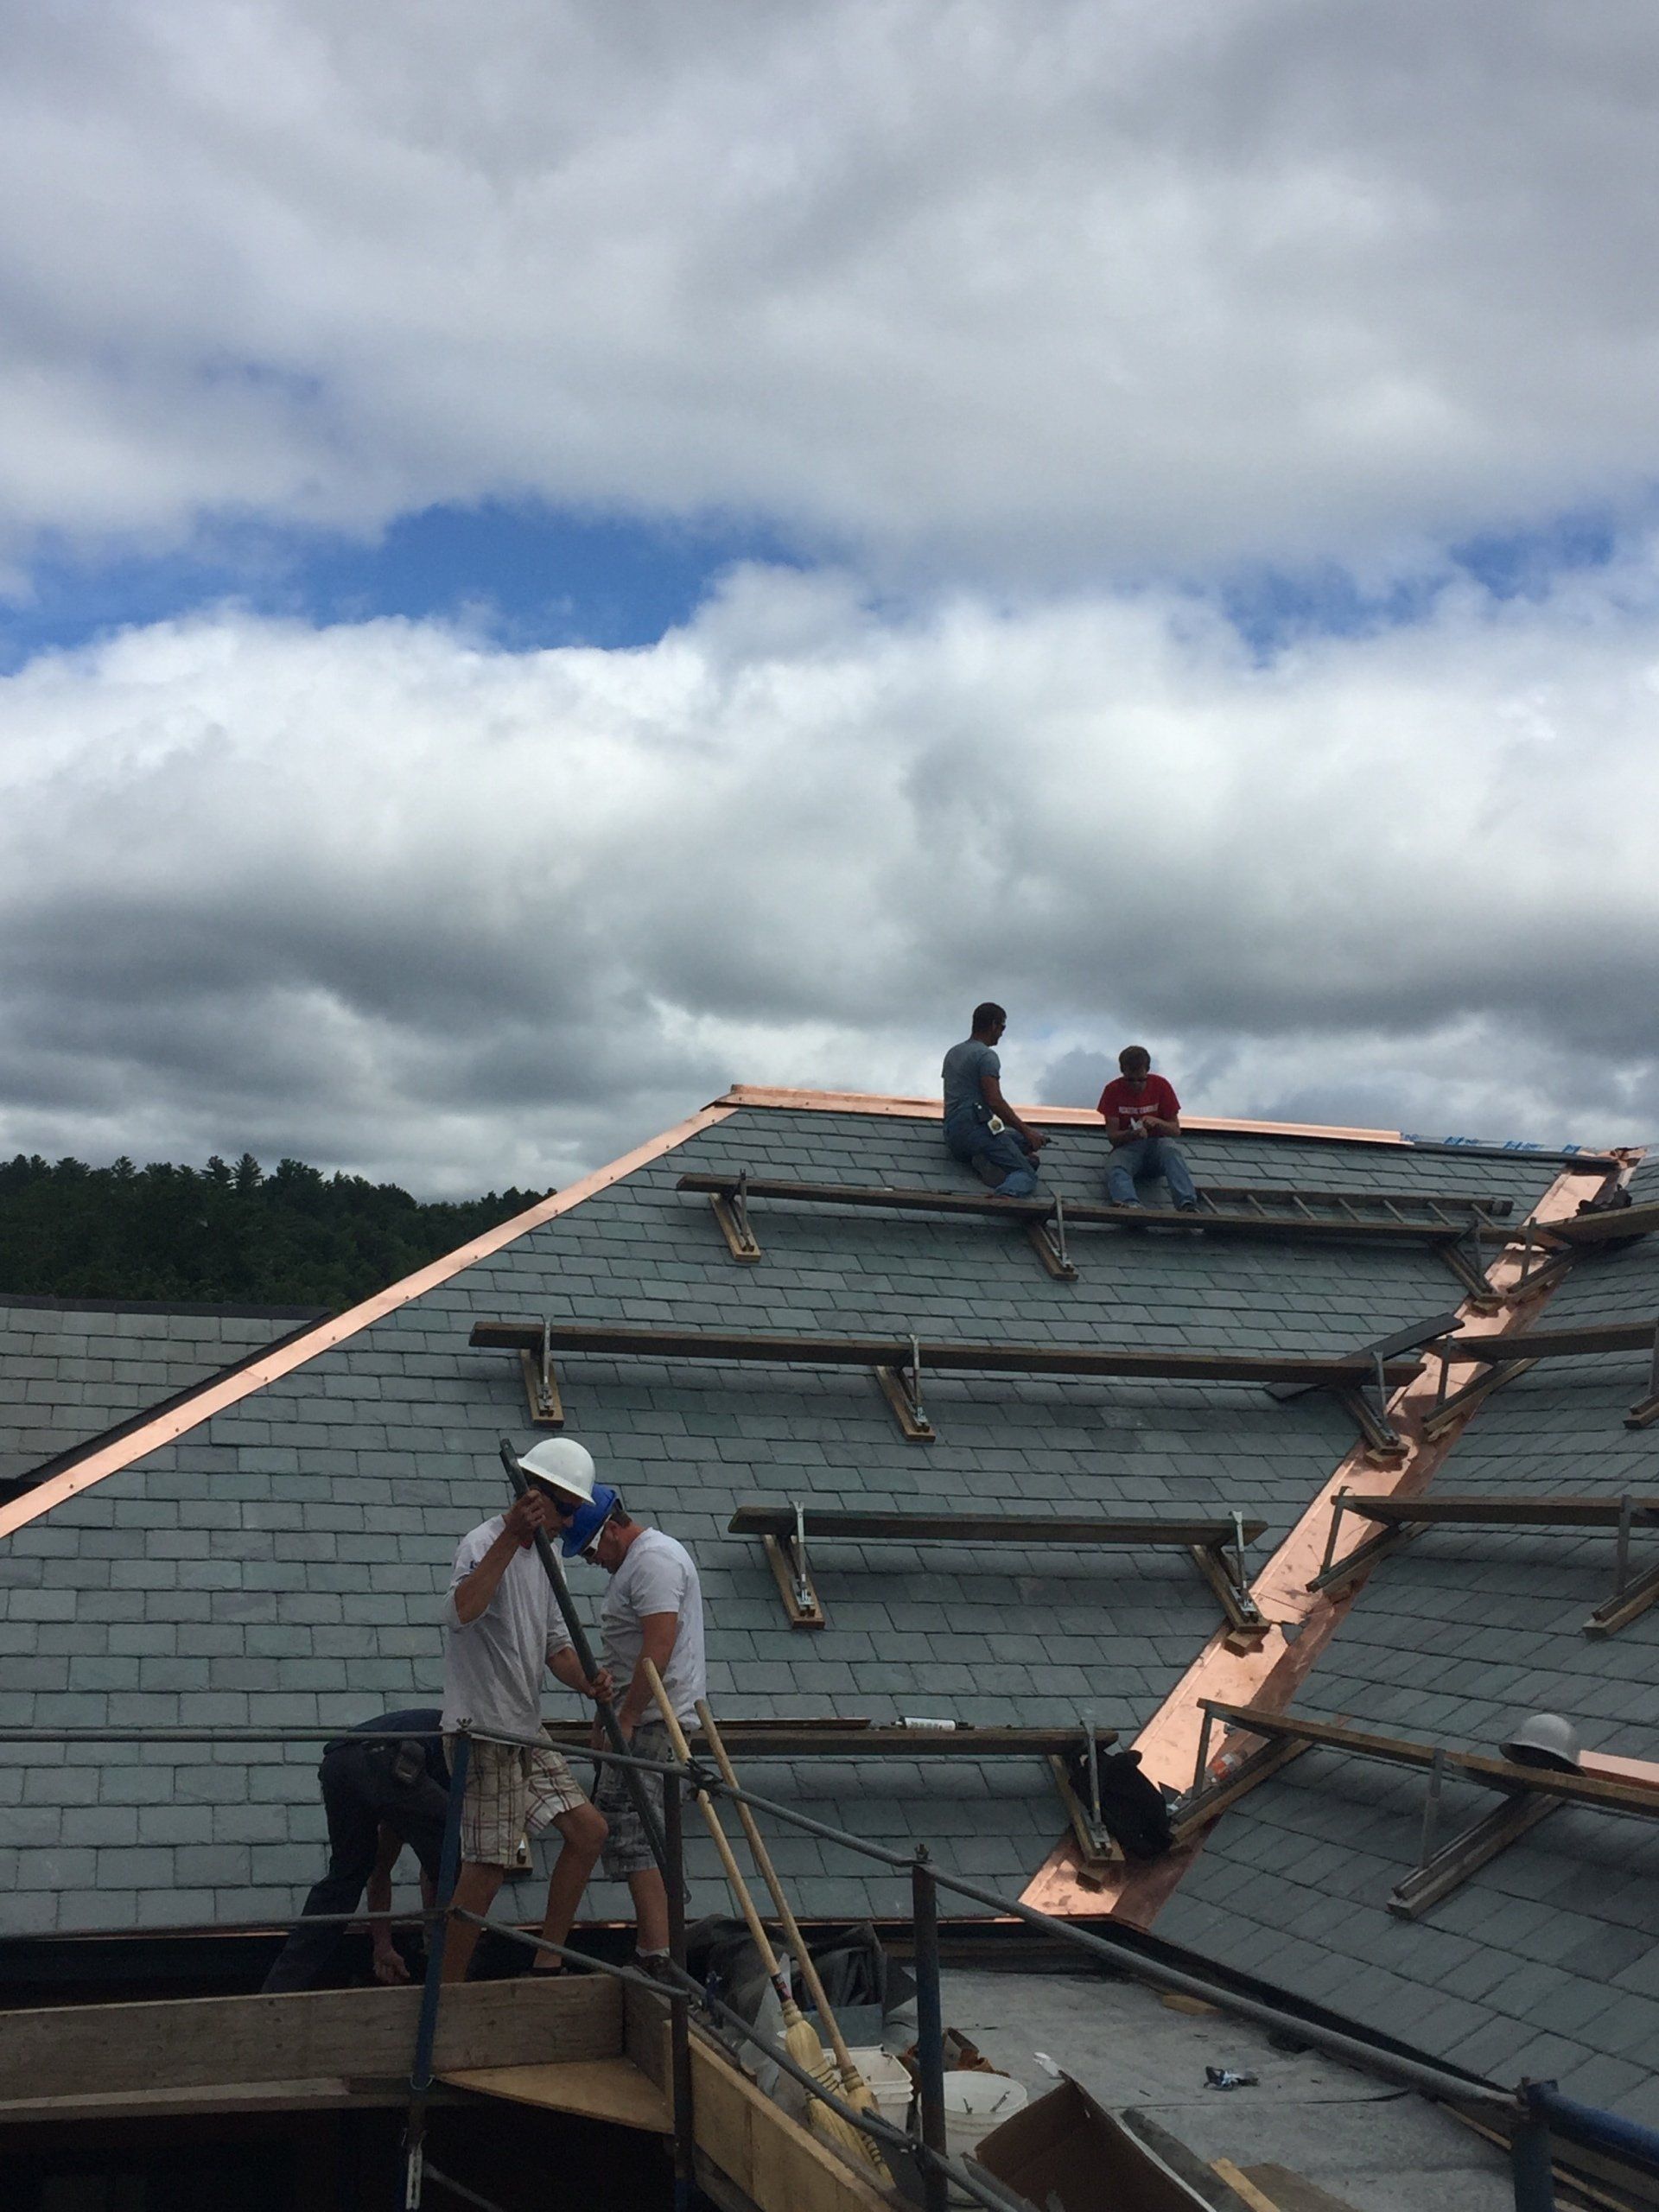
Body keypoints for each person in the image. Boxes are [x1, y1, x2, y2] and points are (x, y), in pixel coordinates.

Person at [439, 1437, 613, 1983]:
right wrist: (512, 1539)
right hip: (482, 1729)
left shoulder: (548, 1560)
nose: (569, 1523)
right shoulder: (483, 1541)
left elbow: (556, 1649)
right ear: (533, 1495)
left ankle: (547, 1962)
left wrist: (587, 1681)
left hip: (522, 1729)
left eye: (574, 1512)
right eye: (565, 1509)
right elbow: (462, 1611)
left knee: (589, 1831)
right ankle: (442, 1996)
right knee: (488, 1865)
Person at [551, 1484, 705, 1975]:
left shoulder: (654, 1561)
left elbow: (658, 1646)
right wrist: (610, 1711)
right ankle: (654, 1948)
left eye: (594, 1548)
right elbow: (628, 1652)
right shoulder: (635, 1563)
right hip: (642, 1717)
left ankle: (656, 1953)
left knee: (637, 1834)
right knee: (633, 1831)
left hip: (655, 1723)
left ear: (614, 1527)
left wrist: (628, 1715)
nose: (592, 1560)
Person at [262, 1707, 449, 1993]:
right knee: (454, 1862)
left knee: (346, 1877)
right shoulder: (451, 1767)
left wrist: (382, 1946)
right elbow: (436, 1869)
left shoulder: (407, 1799)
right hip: (393, 1759)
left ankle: (279, 1989)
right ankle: (445, 1974)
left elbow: (380, 1869)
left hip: (340, 1761)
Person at [941, 1002, 1049, 1198]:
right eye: (1002, 1027)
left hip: (953, 1134)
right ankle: (1005, 1194)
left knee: (1022, 1143)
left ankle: (985, 1159)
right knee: (1025, 1172)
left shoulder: (953, 1053)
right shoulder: (986, 1056)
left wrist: (1027, 1138)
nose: (1002, 1033)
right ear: (993, 1025)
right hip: (977, 1130)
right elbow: (994, 1101)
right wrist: (1027, 1130)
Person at [1096, 1046, 1199, 1211]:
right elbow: (1112, 1136)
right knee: (1115, 1165)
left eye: (1141, 1079)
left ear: (1148, 1071)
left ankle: (1186, 1202)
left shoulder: (1161, 1086)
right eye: (1130, 1080)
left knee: (1171, 1151)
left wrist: (1157, 1122)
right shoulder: (1112, 1091)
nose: (1136, 1085)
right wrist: (1132, 1134)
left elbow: (1175, 1130)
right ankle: (1129, 1204)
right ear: (1123, 1072)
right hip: (1129, 1149)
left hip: (1157, 1146)